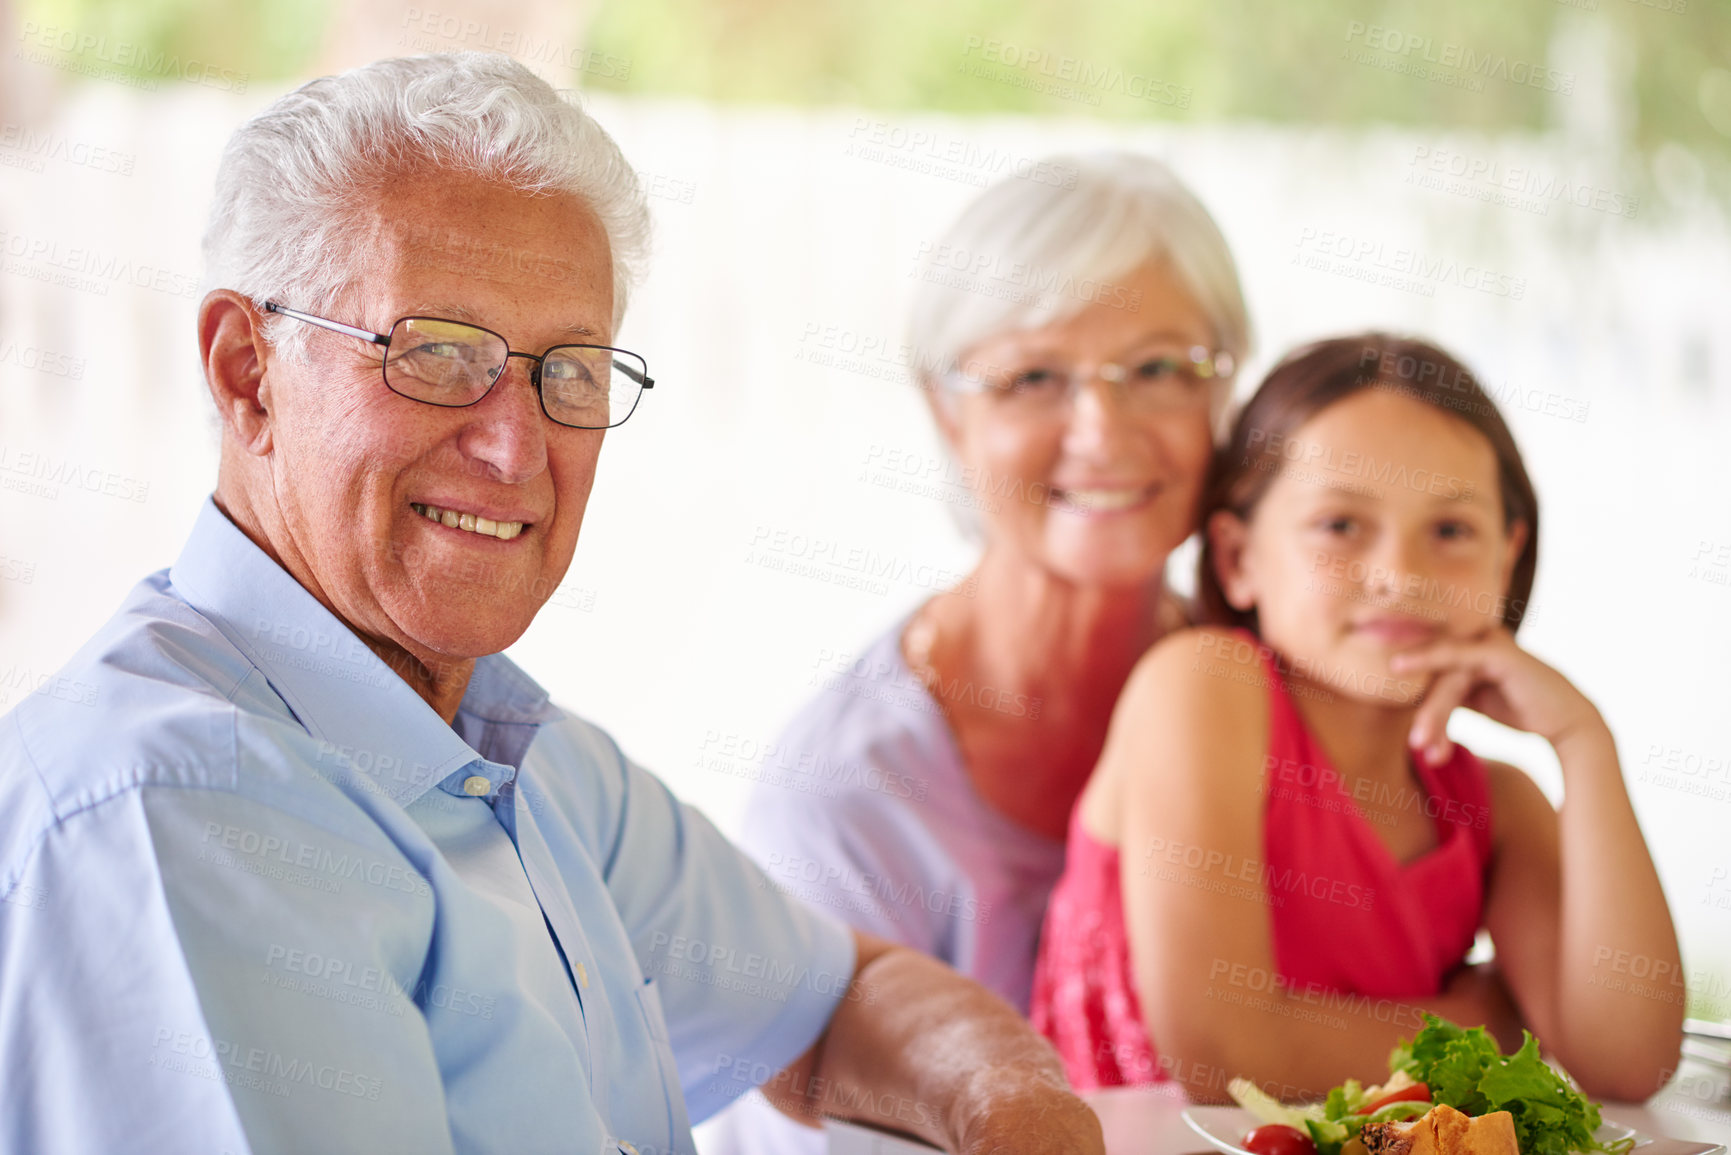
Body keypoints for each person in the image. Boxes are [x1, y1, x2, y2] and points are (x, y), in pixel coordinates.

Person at [0, 54, 1104, 1155]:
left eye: (568, 370)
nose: (516, 445)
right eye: (437, 352)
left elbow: (838, 1006)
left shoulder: (521, 759)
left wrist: (1018, 1117)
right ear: (249, 374)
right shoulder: (175, 806)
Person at [701, 154, 1249, 1152]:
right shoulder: (844, 793)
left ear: (1226, 393)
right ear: (948, 410)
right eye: (1036, 377)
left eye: (1162, 368)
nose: (1103, 430)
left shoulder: (1279, 699)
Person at [1030, 334, 1684, 1101]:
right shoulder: (1203, 685)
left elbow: (1627, 1063)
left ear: (1506, 560)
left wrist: (1584, 743)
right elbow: (1228, 1058)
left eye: (1449, 531)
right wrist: (1498, 1025)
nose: (1398, 575)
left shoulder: (1493, 807)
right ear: (1238, 558)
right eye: (1339, 525)